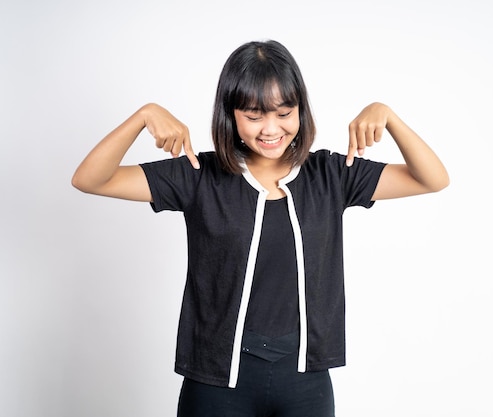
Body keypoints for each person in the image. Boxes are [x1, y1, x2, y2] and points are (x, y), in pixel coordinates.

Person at [72, 40, 449, 417]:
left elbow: (431, 179)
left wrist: (388, 116)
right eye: (254, 116)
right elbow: (91, 179)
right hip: (217, 383)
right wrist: (144, 115)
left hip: (305, 380)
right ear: (231, 115)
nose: (272, 129)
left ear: (301, 109)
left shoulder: (331, 175)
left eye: (285, 113)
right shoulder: (198, 176)